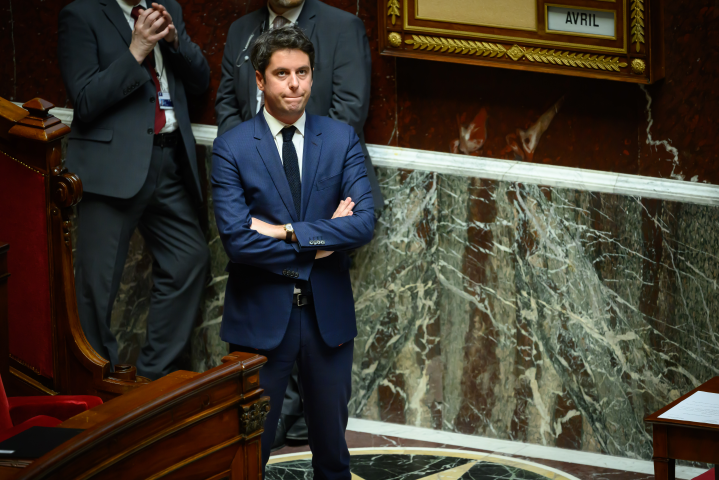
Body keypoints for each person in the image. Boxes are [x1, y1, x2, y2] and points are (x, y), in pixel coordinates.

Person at [215, 0, 383, 446]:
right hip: (261, 321)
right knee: (252, 454)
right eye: (281, 74)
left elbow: (363, 223)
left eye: (303, 73)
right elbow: (237, 241)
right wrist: (322, 241)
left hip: (328, 320)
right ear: (259, 79)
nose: (294, 85)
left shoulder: (341, 139)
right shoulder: (232, 148)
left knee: (333, 456)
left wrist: (286, 232)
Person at [58, 0, 210, 380]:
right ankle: (96, 385)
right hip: (113, 168)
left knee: (188, 259)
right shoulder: (81, 15)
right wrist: (136, 50)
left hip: (169, 159)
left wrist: (175, 43)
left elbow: (200, 82)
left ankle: (154, 377)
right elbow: (86, 100)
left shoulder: (167, 6)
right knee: (97, 285)